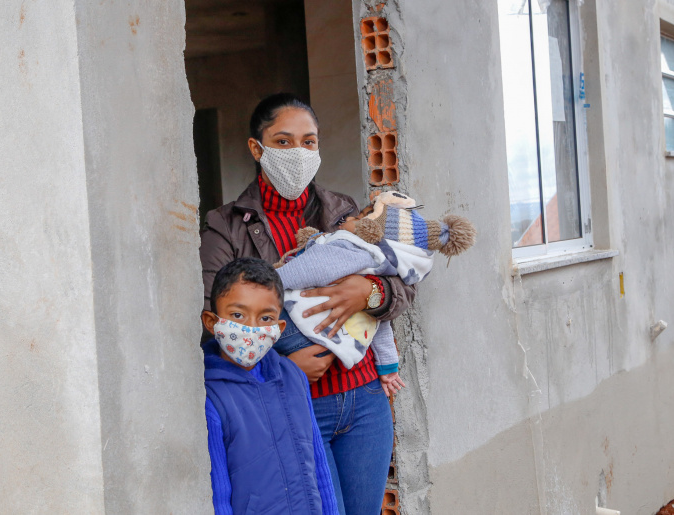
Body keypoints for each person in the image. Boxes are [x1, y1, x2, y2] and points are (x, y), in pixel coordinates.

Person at [199, 93, 416, 515]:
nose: (298, 152)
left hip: (366, 400)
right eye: (283, 141)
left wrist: (370, 293)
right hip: (296, 402)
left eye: (309, 141)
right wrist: (284, 368)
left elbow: (402, 278)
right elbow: (214, 322)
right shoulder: (224, 227)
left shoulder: (344, 211)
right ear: (255, 148)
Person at [272, 190, 476, 396]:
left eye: (361, 217)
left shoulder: (352, 249)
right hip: (327, 347)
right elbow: (377, 324)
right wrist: (388, 367)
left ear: (370, 230)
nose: (350, 218)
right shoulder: (380, 265)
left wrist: (264, 282)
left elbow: (311, 267)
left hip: (295, 327)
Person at [201, 257, 339, 515]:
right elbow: (218, 495)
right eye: (238, 315)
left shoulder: (292, 377)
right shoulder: (211, 396)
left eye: (266, 318)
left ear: (278, 328)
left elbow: (318, 463)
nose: (252, 328)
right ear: (212, 322)